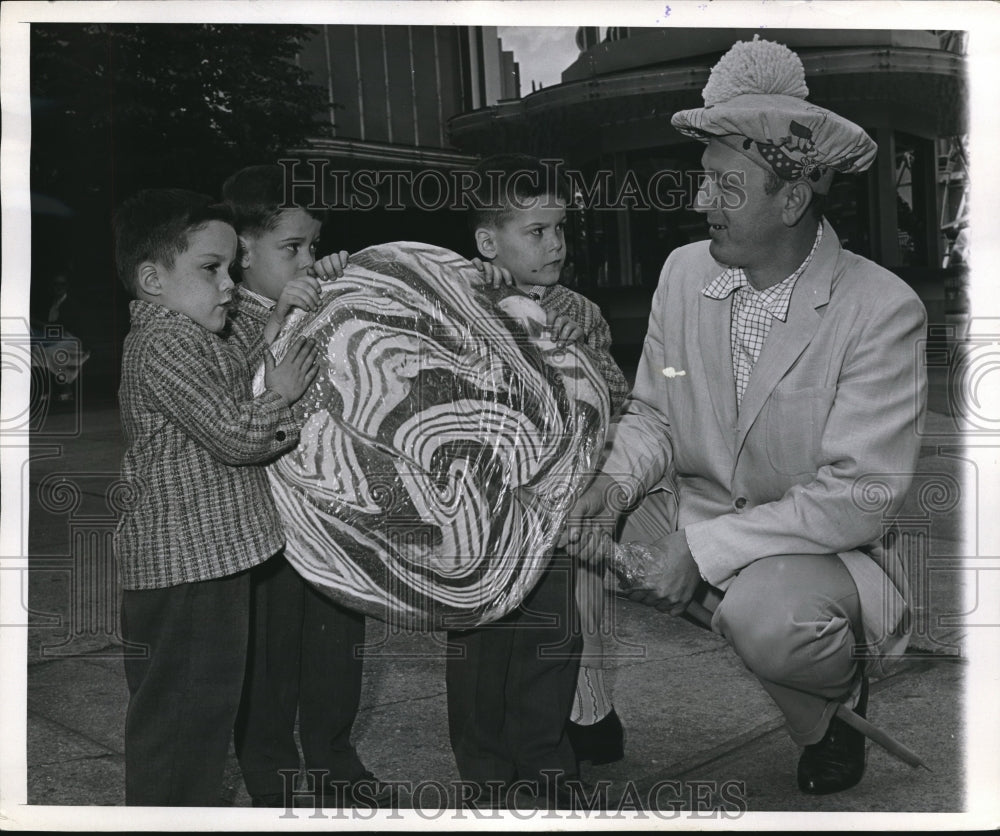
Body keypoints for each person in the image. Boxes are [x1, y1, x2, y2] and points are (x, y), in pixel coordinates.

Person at [562, 36, 928, 796]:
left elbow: (858, 496)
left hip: (818, 552)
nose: (702, 204)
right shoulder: (683, 273)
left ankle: (827, 712)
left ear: (791, 199)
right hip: (696, 515)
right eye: (705, 182)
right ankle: (584, 716)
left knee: (770, 622)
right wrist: (612, 486)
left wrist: (700, 548)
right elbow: (655, 416)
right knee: (563, 515)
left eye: (727, 188)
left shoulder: (882, 310)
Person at [112, 188, 319, 805]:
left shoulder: (189, 334)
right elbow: (234, 433)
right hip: (187, 569)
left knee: (196, 717)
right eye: (210, 269)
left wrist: (275, 328)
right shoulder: (165, 342)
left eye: (231, 267)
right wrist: (282, 397)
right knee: (183, 724)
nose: (228, 284)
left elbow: (234, 372)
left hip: (202, 565)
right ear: (152, 279)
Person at [445, 154, 628, 809]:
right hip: (483, 513)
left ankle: (547, 762)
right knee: (484, 650)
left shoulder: (574, 309)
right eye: (538, 231)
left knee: (552, 641)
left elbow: (613, 394)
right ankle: (487, 775)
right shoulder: (463, 307)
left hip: (552, 509)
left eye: (561, 229)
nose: (556, 244)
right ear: (490, 242)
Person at [220, 163, 393, 809]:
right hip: (266, 518)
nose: (307, 259)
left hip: (333, 507)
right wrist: (281, 322)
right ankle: (272, 771)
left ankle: (334, 755)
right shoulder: (224, 319)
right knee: (269, 657)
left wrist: (351, 286)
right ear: (242, 253)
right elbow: (237, 406)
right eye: (290, 248)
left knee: (336, 645)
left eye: (313, 245)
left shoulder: (326, 298)